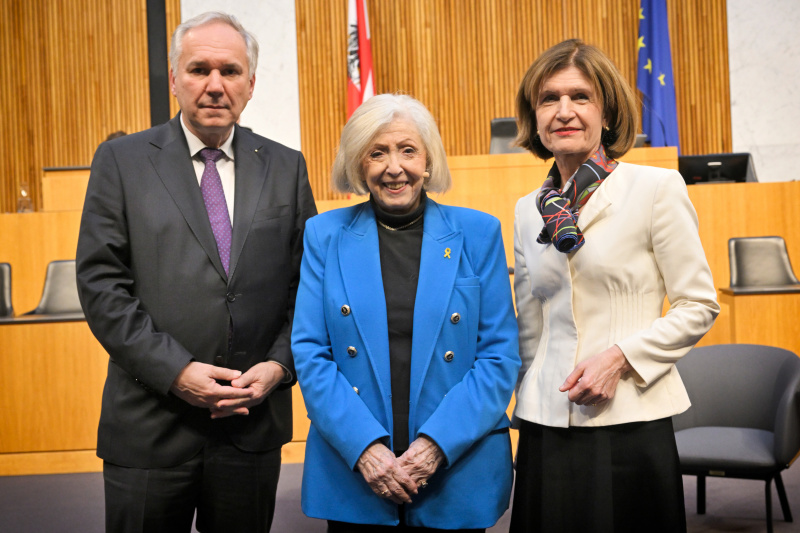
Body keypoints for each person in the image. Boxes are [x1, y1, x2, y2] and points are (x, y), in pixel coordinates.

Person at [75, 11, 316, 533]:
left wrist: (279, 367)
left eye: (230, 71)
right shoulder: (121, 161)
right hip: (150, 424)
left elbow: (308, 288)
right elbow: (101, 285)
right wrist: (177, 373)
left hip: (250, 425)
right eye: (199, 69)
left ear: (251, 84)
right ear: (173, 79)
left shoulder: (286, 166)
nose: (214, 85)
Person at [509, 39, 720, 533]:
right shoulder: (527, 210)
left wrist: (619, 358)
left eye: (580, 97)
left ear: (606, 114)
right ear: (535, 119)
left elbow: (697, 305)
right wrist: (526, 401)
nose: (564, 111)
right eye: (549, 99)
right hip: (546, 423)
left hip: (630, 419)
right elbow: (531, 326)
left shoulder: (655, 189)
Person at [291, 93, 520, 532]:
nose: (394, 167)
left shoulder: (478, 232)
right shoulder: (324, 235)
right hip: (355, 469)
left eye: (408, 150)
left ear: (428, 161)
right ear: (359, 164)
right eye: (377, 153)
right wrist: (364, 449)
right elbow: (310, 352)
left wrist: (436, 446)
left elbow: (499, 355)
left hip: (457, 465)